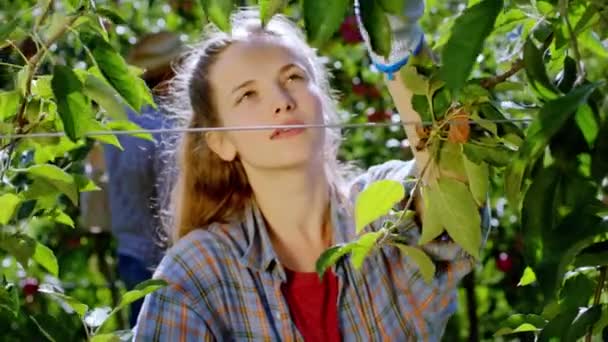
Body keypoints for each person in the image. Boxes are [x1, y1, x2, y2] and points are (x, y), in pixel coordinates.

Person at [134, 3, 483, 340]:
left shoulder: (380, 213)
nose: (281, 101)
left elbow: (453, 188)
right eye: (248, 95)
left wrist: (398, 36)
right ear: (222, 141)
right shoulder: (198, 273)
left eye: (294, 76)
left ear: (325, 102)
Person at [102, 32, 181, 328]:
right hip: (157, 255)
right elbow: (161, 191)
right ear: (166, 73)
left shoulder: (119, 115)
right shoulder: (159, 125)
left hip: (129, 247)